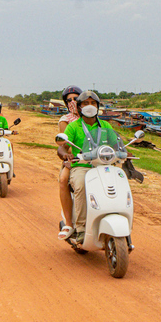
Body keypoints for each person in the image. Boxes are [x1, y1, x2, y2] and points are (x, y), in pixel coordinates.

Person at [56, 90, 113, 243]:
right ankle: (80, 228)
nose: (90, 106)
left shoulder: (106, 125)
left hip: (103, 165)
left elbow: (116, 144)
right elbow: (62, 146)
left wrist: (124, 152)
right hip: (81, 165)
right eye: (85, 103)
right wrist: (64, 154)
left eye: (93, 103)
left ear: (98, 106)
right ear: (80, 107)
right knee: (80, 185)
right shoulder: (73, 126)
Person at [56, 85, 82, 239]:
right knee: (63, 180)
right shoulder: (66, 120)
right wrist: (67, 156)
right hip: (74, 159)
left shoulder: (92, 116)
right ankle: (69, 223)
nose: (73, 102)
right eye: (69, 100)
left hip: (95, 158)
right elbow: (65, 144)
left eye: (76, 99)